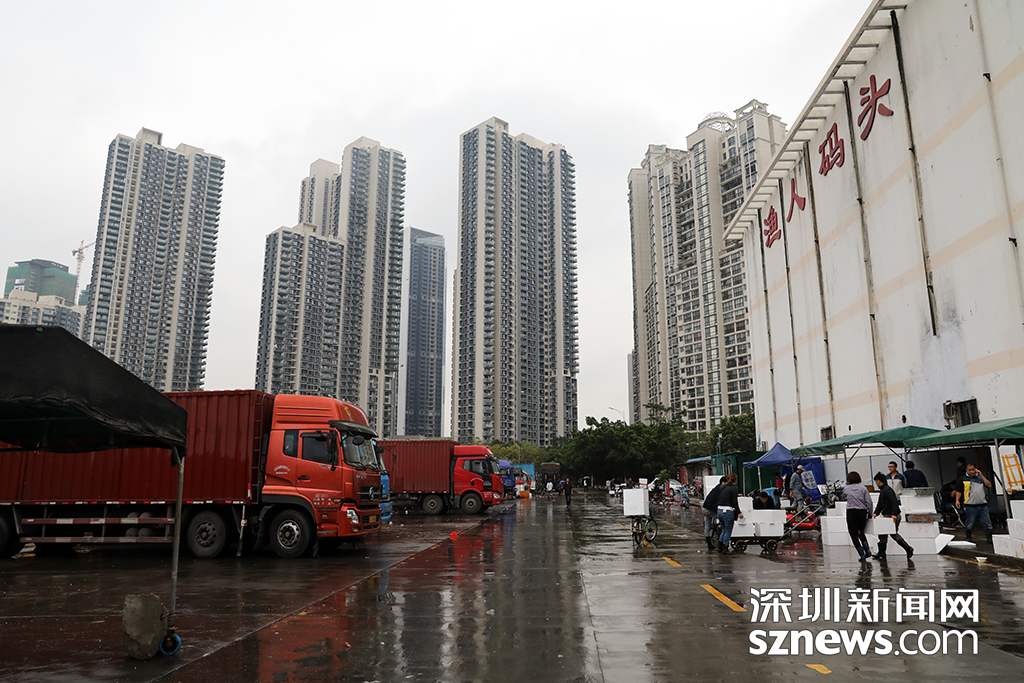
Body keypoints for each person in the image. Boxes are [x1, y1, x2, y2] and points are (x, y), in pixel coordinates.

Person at [872, 473, 914, 560]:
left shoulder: (887, 490)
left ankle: (908, 548)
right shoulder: (884, 490)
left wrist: (894, 515)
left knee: (893, 533)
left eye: (876, 482)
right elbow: (880, 503)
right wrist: (876, 513)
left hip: (891, 516)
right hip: (887, 515)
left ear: (878, 481)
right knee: (882, 534)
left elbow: (894, 502)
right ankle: (882, 552)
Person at [954, 462, 993, 544]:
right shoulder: (963, 479)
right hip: (970, 505)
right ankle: (969, 537)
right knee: (970, 522)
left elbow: (989, 485)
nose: (972, 472)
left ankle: (989, 539)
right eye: (970, 470)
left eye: (973, 470)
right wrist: (957, 500)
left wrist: (981, 475)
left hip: (982, 504)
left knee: (987, 523)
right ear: (966, 470)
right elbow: (959, 490)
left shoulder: (980, 478)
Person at [844, 472, 873, 561]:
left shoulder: (846, 489)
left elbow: (844, 497)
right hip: (862, 512)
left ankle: (862, 555)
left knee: (853, 534)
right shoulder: (863, 488)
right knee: (861, 532)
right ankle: (867, 550)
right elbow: (869, 502)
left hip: (851, 511)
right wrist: (870, 513)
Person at [716, 473, 744, 553]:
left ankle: (720, 546)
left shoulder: (721, 487)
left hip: (719, 510)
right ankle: (725, 547)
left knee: (724, 529)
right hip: (727, 511)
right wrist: (739, 512)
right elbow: (734, 502)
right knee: (728, 530)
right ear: (735, 480)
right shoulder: (733, 489)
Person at [702, 476, 727, 551]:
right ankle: (720, 536)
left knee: (707, 525)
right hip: (710, 510)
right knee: (723, 519)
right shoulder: (721, 490)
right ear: (723, 482)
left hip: (705, 508)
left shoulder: (716, 488)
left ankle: (709, 543)